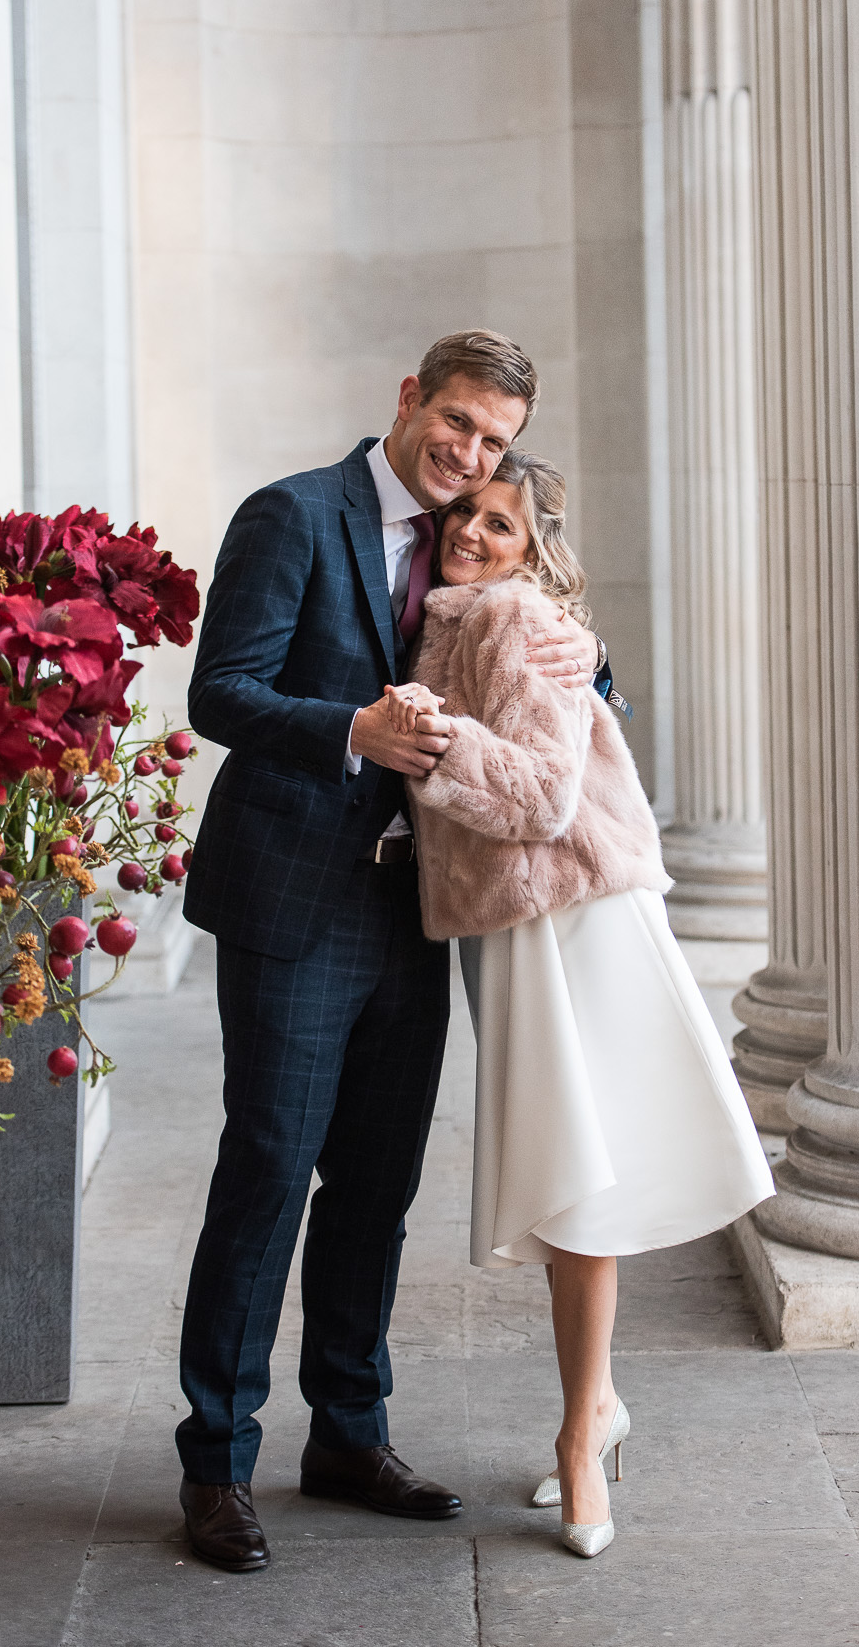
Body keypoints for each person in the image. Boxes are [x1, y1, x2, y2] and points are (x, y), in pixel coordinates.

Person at [176, 332, 608, 1572]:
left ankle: (348, 1435)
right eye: (458, 422)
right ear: (409, 396)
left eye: (492, 442)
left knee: (376, 1186)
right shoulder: (291, 513)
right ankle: (217, 1459)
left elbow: (530, 644)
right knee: (267, 1172)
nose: (469, 456)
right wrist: (350, 728)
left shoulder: (464, 532)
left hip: (413, 909)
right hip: (292, 903)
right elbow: (222, 691)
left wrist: (593, 654)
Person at [391, 449, 775, 1559]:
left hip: (577, 922)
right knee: (570, 1182)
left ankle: (576, 1438)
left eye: (499, 523)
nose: (470, 529)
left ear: (534, 549)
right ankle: (592, 1407)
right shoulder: (456, 618)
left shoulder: (510, 619)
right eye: (464, 510)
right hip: (524, 930)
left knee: (579, 1182)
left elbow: (547, 794)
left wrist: (435, 737)